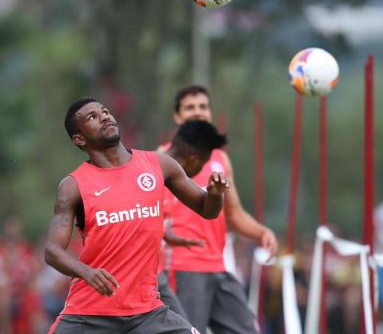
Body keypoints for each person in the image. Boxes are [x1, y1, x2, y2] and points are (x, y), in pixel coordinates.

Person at [45, 97, 230, 334]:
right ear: (79, 139)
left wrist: (215, 194)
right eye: (92, 117)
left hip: (148, 313)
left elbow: (207, 209)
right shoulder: (72, 186)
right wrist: (87, 272)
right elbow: (52, 252)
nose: (104, 117)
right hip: (90, 314)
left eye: (105, 111)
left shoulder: (159, 164)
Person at [159, 85, 278, 334]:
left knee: (247, 329)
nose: (198, 112)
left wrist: (261, 232)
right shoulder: (163, 157)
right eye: (190, 107)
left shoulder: (219, 159)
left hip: (218, 265)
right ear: (177, 117)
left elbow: (234, 213)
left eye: (203, 106)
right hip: (182, 268)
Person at [158, 120, 228, 319]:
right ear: (194, 159)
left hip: (152, 278)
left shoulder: (172, 176)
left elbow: (207, 210)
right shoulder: (147, 170)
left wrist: (214, 194)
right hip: (164, 272)